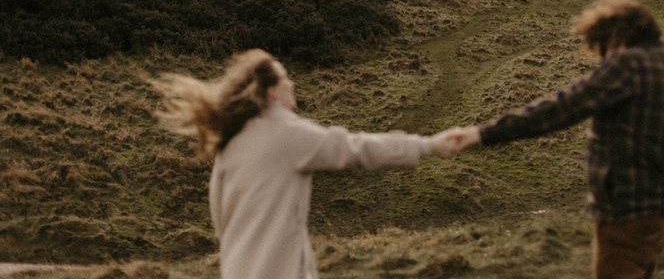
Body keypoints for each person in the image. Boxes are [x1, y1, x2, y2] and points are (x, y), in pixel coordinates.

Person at [152, 48, 460, 279]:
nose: (291, 82)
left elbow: (218, 217)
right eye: (285, 76)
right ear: (271, 90)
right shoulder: (286, 132)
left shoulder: (231, 140)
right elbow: (356, 148)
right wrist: (428, 145)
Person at [449, 0, 664, 279]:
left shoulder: (630, 64)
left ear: (616, 36)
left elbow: (565, 107)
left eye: (604, 48)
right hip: (658, 211)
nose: (605, 58)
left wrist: (484, 132)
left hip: (623, 210)